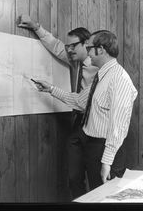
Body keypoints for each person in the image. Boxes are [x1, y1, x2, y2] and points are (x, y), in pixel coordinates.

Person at [33, 30, 138, 198]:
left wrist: (107, 162)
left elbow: (119, 125)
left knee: (107, 200)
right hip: (94, 147)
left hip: (106, 150)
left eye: (90, 48)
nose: (88, 53)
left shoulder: (119, 79)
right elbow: (80, 101)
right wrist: (51, 89)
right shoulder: (102, 76)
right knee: (97, 196)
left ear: (101, 49)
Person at [17, 15, 98, 199]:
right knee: (74, 178)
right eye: (68, 47)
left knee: (96, 181)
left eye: (72, 46)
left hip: (97, 129)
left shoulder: (100, 67)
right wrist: (36, 27)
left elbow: (81, 102)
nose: (68, 50)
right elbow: (55, 45)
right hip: (78, 126)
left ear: (87, 44)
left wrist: (51, 89)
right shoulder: (75, 60)